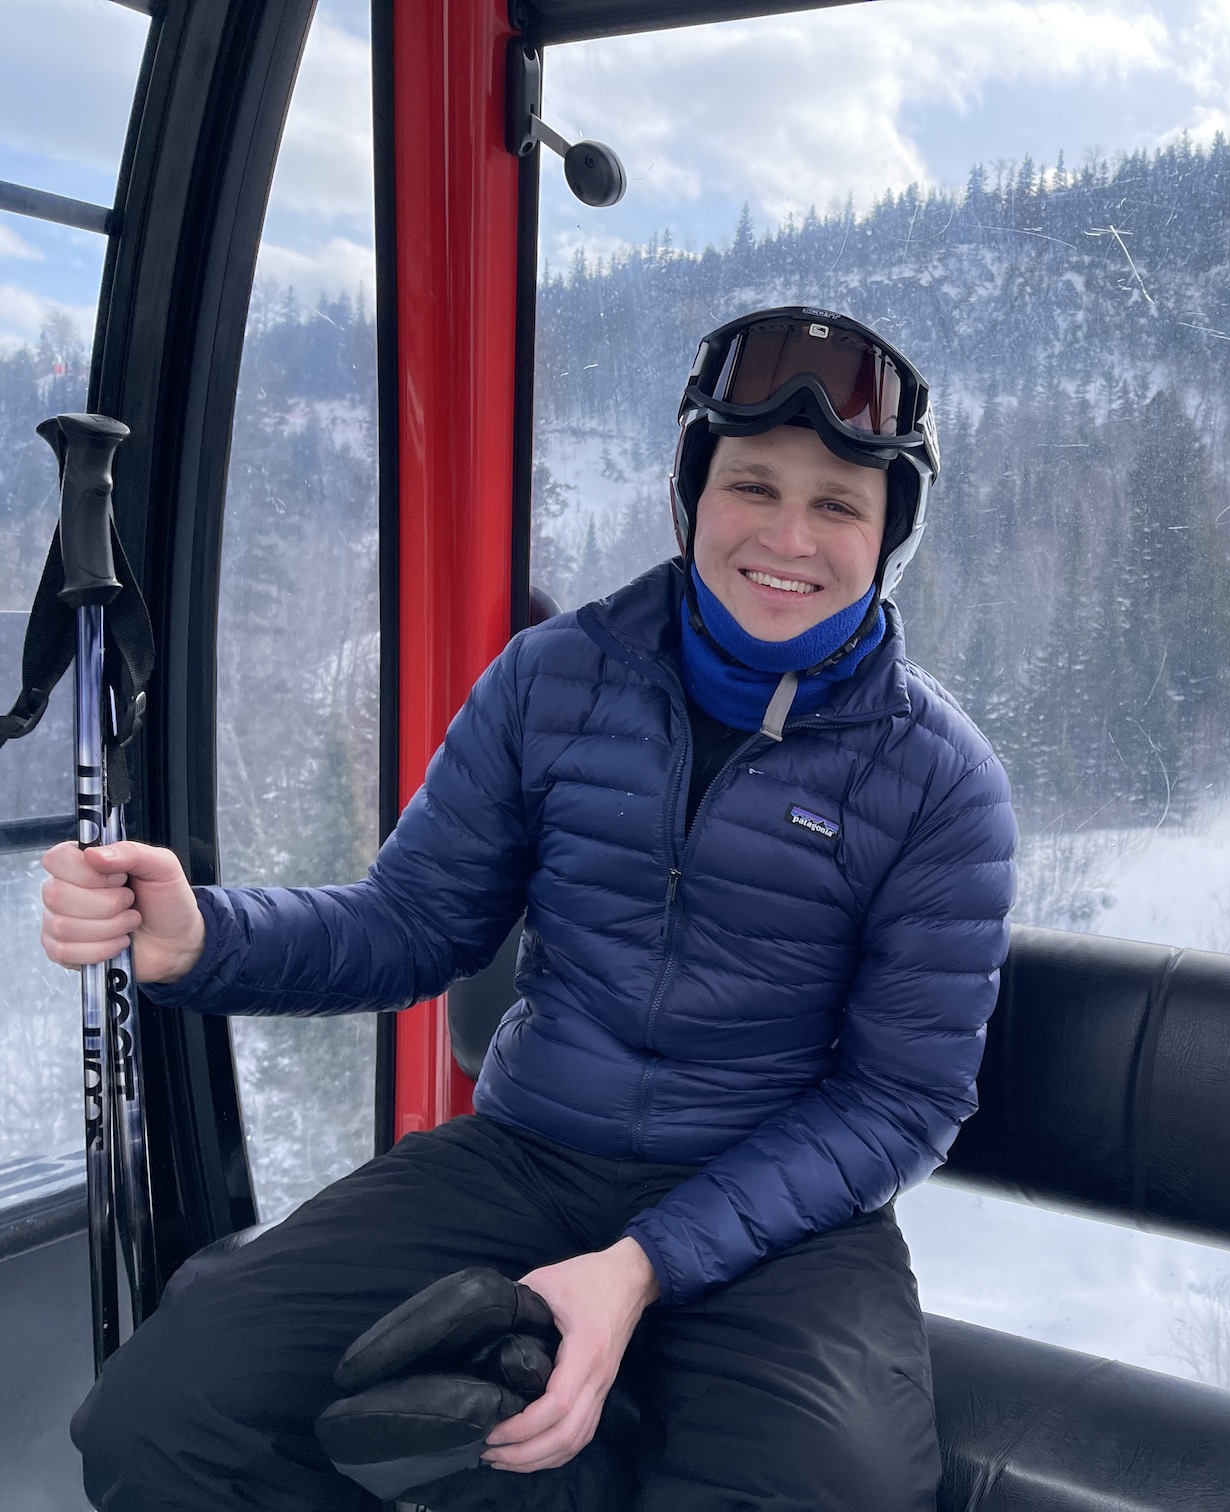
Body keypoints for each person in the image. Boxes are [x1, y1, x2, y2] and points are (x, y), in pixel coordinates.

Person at [40, 306, 1018, 1512]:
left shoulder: (938, 780)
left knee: (835, 1492)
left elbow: (901, 1098)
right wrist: (204, 939)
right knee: (164, 1418)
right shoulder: (556, 682)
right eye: (751, 484)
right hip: (528, 1155)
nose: (786, 535)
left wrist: (645, 1266)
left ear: (888, 536)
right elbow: (413, 924)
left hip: (779, 1213)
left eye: (838, 504)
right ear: (688, 495)